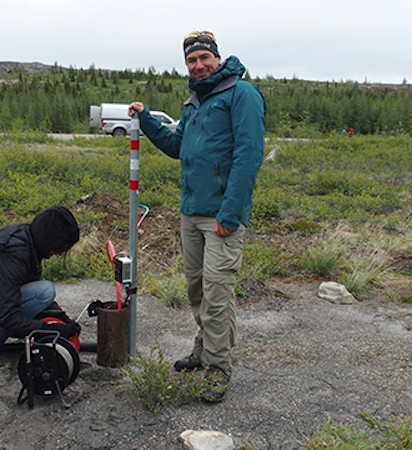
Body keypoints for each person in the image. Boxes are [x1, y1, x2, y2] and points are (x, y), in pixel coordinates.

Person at [128, 31, 266, 402]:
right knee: (198, 291)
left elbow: (248, 157)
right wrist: (147, 120)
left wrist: (231, 213)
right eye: (192, 60)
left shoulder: (242, 94)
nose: (199, 65)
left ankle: (218, 369)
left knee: (217, 295)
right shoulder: (194, 102)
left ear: (217, 58)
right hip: (191, 213)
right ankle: (203, 350)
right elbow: (177, 146)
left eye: (205, 58)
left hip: (221, 216)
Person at [0, 205, 82, 369]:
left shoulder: (30, 240)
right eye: (60, 248)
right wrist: (50, 330)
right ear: (50, 239)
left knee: (42, 292)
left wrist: (63, 320)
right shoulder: (16, 254)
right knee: (45, 291)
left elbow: (30, 293)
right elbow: (8, 316)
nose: (58, 254)